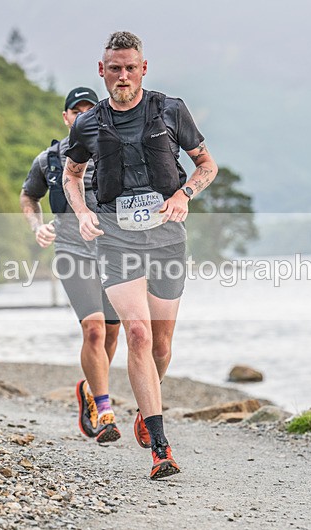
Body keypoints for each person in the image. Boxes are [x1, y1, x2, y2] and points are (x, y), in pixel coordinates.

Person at [62, 31, 219, 479]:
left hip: (167, 236)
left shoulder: (170, 110)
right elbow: (73, 176)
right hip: (116, 237)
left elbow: (206, 164)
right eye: (115, 68)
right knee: (138, 334)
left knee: (162, 346)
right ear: (102, 71)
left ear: (143, 68)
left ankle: (146, 405)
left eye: (131, 67)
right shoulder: (87, 125)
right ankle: (161, 449)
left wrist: (185, 193)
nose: (123, 75)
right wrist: (82, 213)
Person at [20, 87, 123, 443]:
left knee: (112, 331)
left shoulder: (115, 151)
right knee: (94, 329)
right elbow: (28, 197)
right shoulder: (48, 159)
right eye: (74, 111)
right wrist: (38, 226)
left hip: (113, 251)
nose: (81, 116)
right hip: (71, 251)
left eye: (88, 110)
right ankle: (105, 410)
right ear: (65, 118)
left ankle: (90, 390)